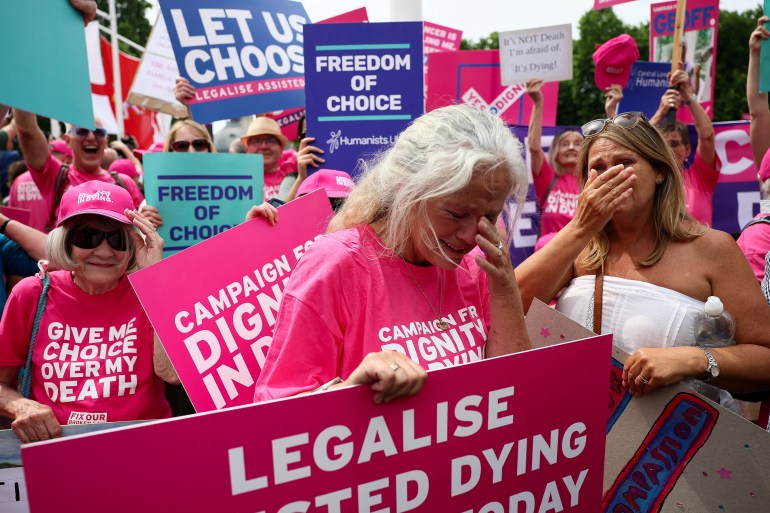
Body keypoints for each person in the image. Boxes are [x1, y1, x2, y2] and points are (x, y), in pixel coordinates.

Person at [254, 104, 532, 403]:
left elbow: (513, 395)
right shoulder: (337, 262)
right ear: (406, 190)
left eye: (489, 217)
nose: (470, 235)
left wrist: (504, 290)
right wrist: (351, 391)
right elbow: (274, 409)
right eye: (456, 213)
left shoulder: (477, 265)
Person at [516, 111, 770, 400]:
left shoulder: (713, 248)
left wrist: (693, 359)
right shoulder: (579, 246)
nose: (611, 174)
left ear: (659, 172)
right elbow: (507, 308)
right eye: (598, 167)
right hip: (573, 430)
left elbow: (765, 357)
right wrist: (580, 227)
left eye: (625, 163)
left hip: (669, 438)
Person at [0, 181, 177, 443]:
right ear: (66, 240)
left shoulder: (149, 292)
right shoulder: (32, 293)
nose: (104, 251)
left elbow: (171, 374)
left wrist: (153, 279)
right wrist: (21, 406)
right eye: (88, 237)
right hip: (59, 449)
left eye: (116, 238)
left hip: (143, 446)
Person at [12, 108, 152, 231]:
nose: (91, 137)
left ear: (106, 141)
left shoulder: (125, 183)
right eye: (82, 132)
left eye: (98, 133)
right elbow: (27, 131)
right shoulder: (55, 175)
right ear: (67, 140)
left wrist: (150, 218)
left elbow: (142, 229)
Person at [648, 67, 719, 226]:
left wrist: (686, 92)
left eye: (674, 144)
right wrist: (660, 113)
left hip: (701, 250)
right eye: (663, 145)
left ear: (687, 149)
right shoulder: (649, 178)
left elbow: (707, 137)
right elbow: (632, 145)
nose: (669, 150)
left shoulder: (700, 176)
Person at [525, 79, 583, 245]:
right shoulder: (548, 179)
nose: (571, 147)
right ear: (556, 154)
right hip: (548, 254)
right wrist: (538, 103)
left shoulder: (591, 181)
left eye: (578, 144)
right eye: (565, 144)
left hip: (583, 257)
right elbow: (534, 147)